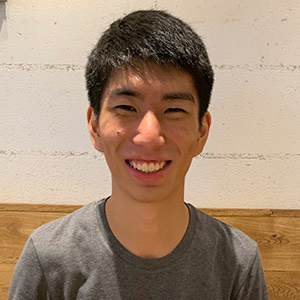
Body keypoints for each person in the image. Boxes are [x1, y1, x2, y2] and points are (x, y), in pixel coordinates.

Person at [9, 10, 269, 300]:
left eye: (174, 111)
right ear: (94, 126)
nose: (149, 136)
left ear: (202, 132)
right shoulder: (48, 258)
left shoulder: (237, 262)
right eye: (126, 108)